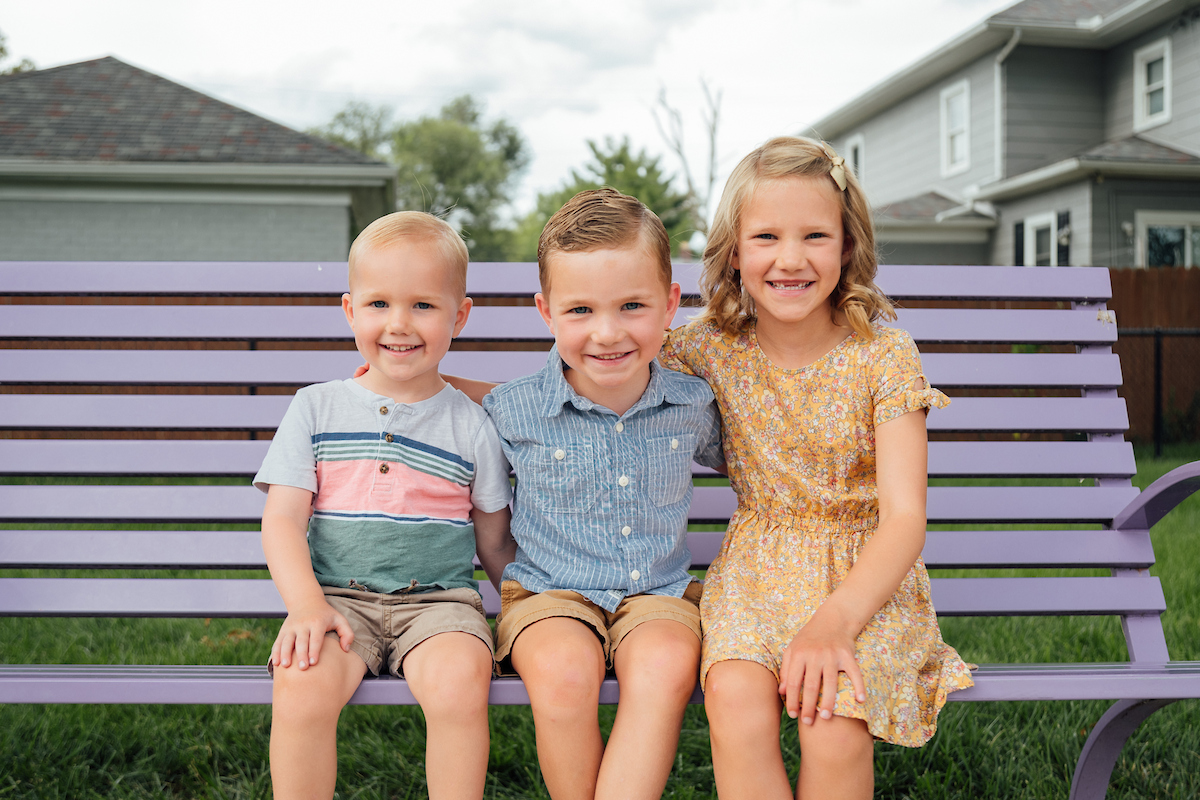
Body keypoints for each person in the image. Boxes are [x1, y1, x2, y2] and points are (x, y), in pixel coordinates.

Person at [659, 136, 974, 799]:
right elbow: (600, 381)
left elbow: (905, 518)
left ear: (848, 247)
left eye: (815, 236)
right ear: (735, 252)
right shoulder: (706, 350)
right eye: (767, 236)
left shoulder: (882, 354)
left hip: (867, 581)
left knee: (831, 720)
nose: (791, 258)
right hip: (756, 571)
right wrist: (432, 385)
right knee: (735, 701)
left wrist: (833, 624)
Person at [462, 188, 723, 800]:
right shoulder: (518, 406)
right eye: (580, 311)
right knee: (563, 672)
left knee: (664, 668)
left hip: (658, 593)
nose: (607, 334)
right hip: (549, 593)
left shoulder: (693, 404)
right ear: (546, 311)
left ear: (670, 306)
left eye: (632, 305)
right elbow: (460, 400)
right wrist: (417, 376)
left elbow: (762, 463)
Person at [254, 211, 516, 800]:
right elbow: (283, 520)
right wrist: (305, 609)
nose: (399, 324)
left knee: (459, 680)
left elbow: (494, 541)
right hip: (335, 602)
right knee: (302, 682)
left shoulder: (473, 425)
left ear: (460, 315)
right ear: (350, 310)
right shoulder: (315, 408)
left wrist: (520, 612)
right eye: (379, 305)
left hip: (439, 604)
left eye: (424, 305)